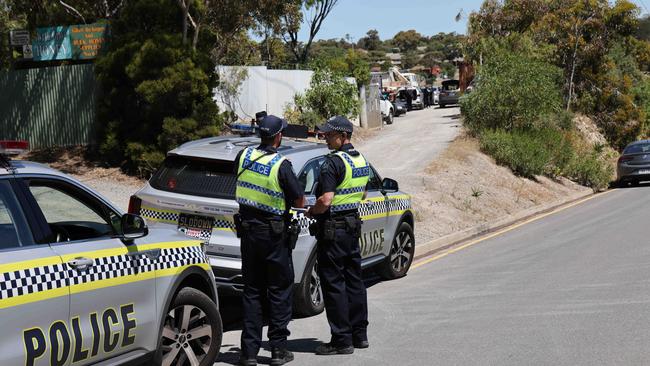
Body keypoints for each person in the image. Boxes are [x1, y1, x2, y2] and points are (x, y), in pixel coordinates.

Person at [234, 115, 305, 366]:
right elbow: (299, 201)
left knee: (252, 291)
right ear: (278, 136)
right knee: (278, 291)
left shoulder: (243, 157)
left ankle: (249, 353)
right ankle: (277, 350)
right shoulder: (281, 165)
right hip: (274, 235)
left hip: (248, 233)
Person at [306, 116, 370, 356]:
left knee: (334, 284)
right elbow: (363, 194)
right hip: (352, 226)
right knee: (355, 281)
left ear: (343, 137)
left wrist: (313, 211)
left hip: (333, 229)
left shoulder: (332, 163)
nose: (325, 138)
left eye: (329, 135)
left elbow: (326, 199)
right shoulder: (361, 159)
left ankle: (341, 340)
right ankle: (359, 335)